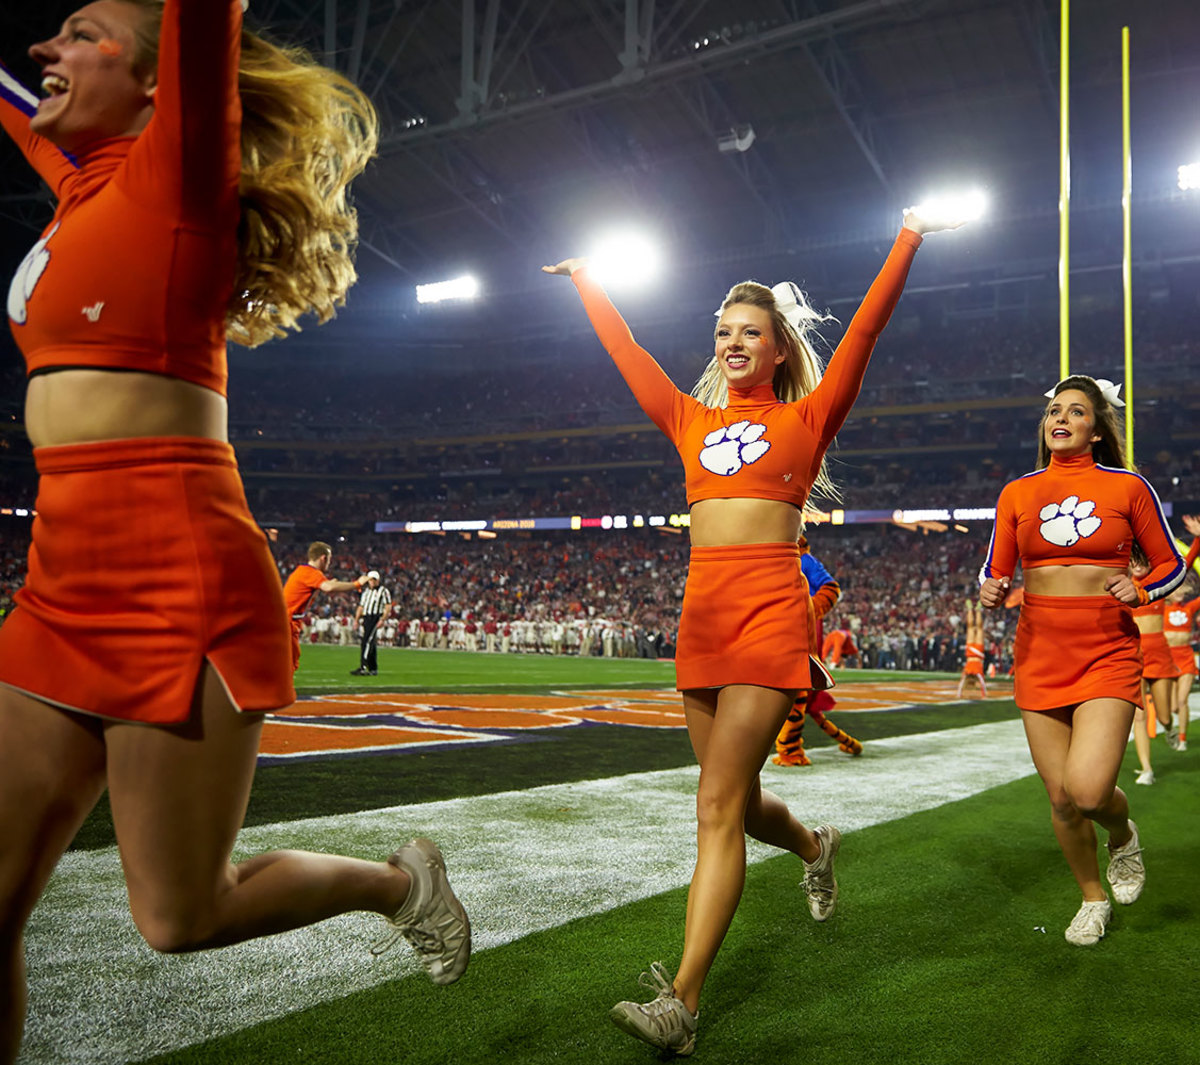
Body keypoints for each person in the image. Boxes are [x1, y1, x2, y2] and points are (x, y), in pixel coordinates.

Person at [0, 5, 468, 1061]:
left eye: (80, 33)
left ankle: (399, 883)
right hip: (56, 581)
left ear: (163, 81)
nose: (44, 52)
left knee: (181, 917)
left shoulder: (178, 174)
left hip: (177, 576)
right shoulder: (79, 186)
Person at [545, 204, 959, 1055]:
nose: (734, 343)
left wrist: (907, 237)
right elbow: (627, 353)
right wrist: (588, 278)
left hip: (770, 616)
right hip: (700, 620)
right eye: (724, 331)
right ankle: (813, 843)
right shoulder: (689, 420)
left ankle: (684, 1002)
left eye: (751, 333)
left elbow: (867, 334)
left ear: (777, 349)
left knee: (714, 805)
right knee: (728, 795)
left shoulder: (804, 420)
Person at [979, 375, 1184, 947]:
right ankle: (1093, 899)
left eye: (1075, 412)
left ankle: (1121, 833)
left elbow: (1171, 567)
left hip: (1106, 652)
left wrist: (1141, 593)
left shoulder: (1128, 488)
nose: (1060, 419)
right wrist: (990, 590)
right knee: (1062, 799)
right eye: (1053, 412)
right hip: (1039, 653)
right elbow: (994, 569)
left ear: (1096, 429)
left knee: (1091, 792)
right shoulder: (1017, 492)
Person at [773, 535, 863, 767]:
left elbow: (831, 587)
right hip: (778, 628)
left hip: (801, 628)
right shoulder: (774, 558)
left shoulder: (805, 560)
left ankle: (790, 749)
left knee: (797, 687)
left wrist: (809, 609)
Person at [284, 541, 369, 671]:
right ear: (323, 558)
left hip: (286, 621)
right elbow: (328, 587)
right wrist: (357, 584)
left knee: (287, 663)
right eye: (329, 559)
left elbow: (325, 585)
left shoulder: (303, 571)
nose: (329, 563)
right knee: (288, 665)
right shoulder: (311, 573)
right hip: (287, 622)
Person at [1162, 517, 1200, 751]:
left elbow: (1189, 561)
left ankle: (1183, 739)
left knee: (1182, 700)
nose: (1180, 591)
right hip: (1166, 659)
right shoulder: (1158, 608)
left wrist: (1198, 538)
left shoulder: (1190, 607)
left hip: (1185, 656)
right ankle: (1173, 728)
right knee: (1173, 706)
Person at [351, 569, 392, 676]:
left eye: (374, 580)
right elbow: (361, 606)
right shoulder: (366, 592)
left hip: (375, 617)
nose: (372, 582)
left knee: (366, 641)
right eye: (370, 580)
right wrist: (356, 620)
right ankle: (373, 668)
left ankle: (363, 667)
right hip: (367, 618)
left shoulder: (383, 591)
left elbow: (388, 606)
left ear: (378, 580)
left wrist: (383, 619)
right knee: (371, 643)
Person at [956, 598, 988, 700]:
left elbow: (982, 683)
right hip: (972, 653)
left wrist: (984, 695)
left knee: (977, 628)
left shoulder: (975, 672)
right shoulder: (968, 671)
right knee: (972, 628)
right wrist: (958, 694)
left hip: (976, 654)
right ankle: (971, 609)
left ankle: (976, 610)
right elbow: (961, 683)